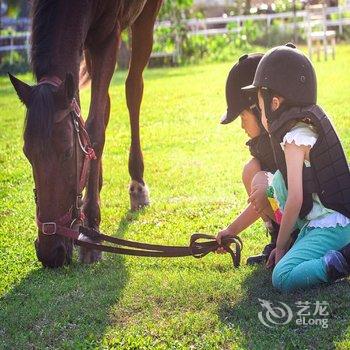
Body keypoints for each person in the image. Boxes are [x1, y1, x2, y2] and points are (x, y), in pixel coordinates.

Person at [218, 43, 350, 293]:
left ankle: (341, 261)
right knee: (274, 181)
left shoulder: (293, 140)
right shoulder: (302, 128)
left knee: (283, 277)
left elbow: (295, 200)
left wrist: (280, 247)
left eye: (259, 103)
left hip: (332, 224)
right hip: (325, 221)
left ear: (274, 103)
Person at [221, 53, 283, 265]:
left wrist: (231, 230)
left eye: (243, 117)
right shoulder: (263, 144)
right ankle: (277, 238)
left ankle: (288, 242)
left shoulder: (281, 144)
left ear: (259, 109)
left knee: (258, 180)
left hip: (307, 219)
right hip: (288, 212)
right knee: (251, 170)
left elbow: (262, 197)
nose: (241, 126)